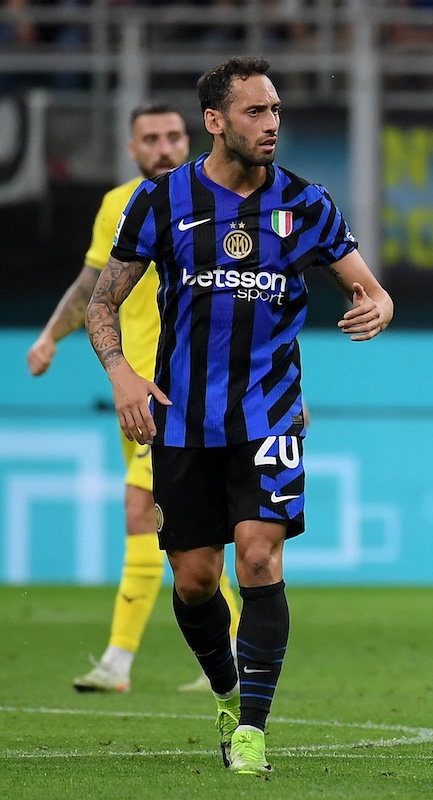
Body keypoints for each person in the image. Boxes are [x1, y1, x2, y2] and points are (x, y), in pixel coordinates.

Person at [84, 56, 393, 776]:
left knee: (258, 555)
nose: (273, 124)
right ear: (215, 121)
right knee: (195, 580)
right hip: (182, 420)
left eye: (277, 111)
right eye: (256, 112)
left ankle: (252, 730)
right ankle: (226, 694)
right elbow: (102, 301)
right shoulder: (160, 203)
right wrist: (122, 373)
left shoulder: (307, 204)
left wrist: (375, 308)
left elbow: (369, 288)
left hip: (271, 415)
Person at [27, 100, 243, 695]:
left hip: (182, 388)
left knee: (140, 511)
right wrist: (49, 335)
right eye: (150, 138)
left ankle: (119, 661)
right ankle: (226, 652)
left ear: (195, 134)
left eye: (174, 136)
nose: (164, 147)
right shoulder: (120, 206)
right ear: (132, 148)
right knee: (189, 527)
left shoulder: (219, 202)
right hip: (129, 387)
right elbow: (93, 288)